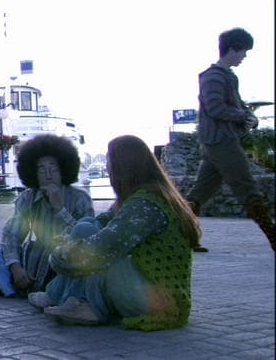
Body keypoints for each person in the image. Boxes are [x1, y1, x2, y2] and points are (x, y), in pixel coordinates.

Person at [28, 135, 201, 331]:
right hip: (151, 291)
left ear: (124, 167)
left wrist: (58, 255)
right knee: (86, 226)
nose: (108, 168)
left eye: (110, 162)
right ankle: (66, 298)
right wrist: (72, 240)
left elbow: (103, 247)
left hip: (156, 300)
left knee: (98, 254)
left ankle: (81, 303)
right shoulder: (139, 198)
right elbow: (100, 223)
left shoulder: (145, 205)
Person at [184, 27, 275, 252]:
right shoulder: (214, 77)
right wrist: (243, 116)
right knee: (247, 187)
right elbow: (215, 108)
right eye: (243, 51)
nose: (245, 56)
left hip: (217, 141)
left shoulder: (227, 77)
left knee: (198, 195)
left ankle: (184, 238)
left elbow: (237, 105)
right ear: (233, 49)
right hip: (221, 141)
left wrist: (248, 116)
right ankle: (273, 238)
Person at [0, 134, 94, 298]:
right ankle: (23, 285)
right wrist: (15, 267)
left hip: (64, 260)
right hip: (32, 259)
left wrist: (59, 208)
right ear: (33, 172)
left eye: (53, 168)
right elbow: (12, 234)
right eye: (41, 169)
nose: (48, 175)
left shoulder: (80, 198)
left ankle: (16, 288)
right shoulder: (27, 198)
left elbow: (84, 239)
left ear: (63, 169)